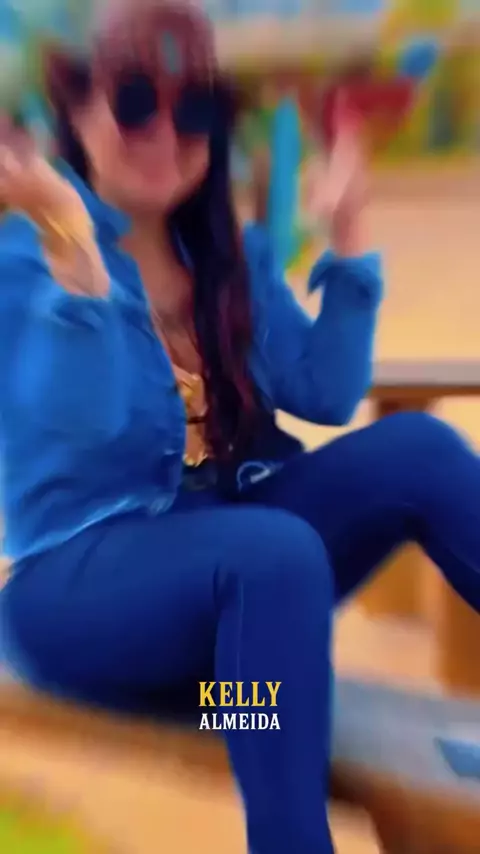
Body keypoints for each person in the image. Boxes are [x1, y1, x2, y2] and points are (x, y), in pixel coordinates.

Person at [0, 3, 479, 853]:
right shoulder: (24, 259)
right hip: (79, 604)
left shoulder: (228, 257)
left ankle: (249, 697)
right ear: (77, 110)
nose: (165, 134)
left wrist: (348, 237)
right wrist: (75, 248)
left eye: (195, 110)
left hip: (232, 648)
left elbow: (327, 392)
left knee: (420, 451)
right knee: (270, 555)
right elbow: (84, 417)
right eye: (136, 101)